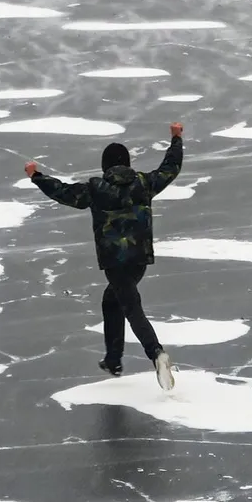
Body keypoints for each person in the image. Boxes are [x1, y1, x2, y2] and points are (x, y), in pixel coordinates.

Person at [25, 123, 184, 390]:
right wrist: (176, 138)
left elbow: (64, 192)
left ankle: (156, 353)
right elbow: (170, 168)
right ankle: (113, 360)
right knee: (113, 300)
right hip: (139, 260)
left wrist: (36, 176)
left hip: (114, 261)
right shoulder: (144, 183)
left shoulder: (96, 188)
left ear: (105, 165)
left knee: (131, 307)